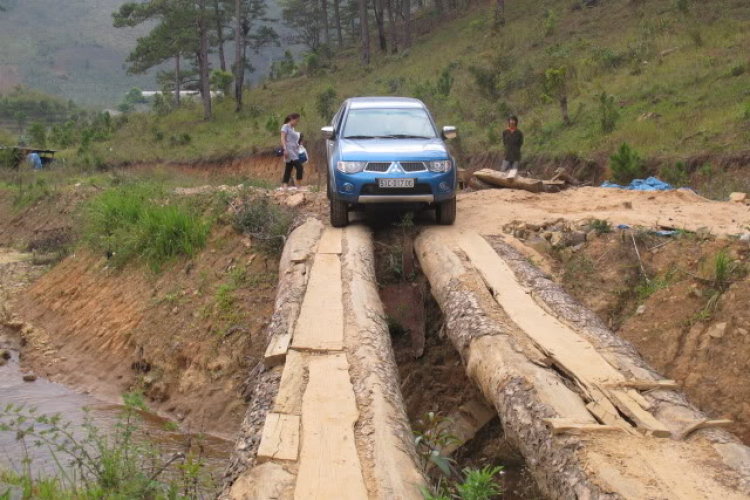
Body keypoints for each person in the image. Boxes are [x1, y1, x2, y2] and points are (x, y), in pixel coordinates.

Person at [280, 113, 303, 190]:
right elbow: (283, 138)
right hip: (289, 150)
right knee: (299, 167)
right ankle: (298, 185)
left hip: (294, 150)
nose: (297, 123)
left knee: (288, 168)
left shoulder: (292, 128)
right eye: (296, 121)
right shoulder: (285, 126)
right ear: (291, 119)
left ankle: (285, 186)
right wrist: (285, 149)